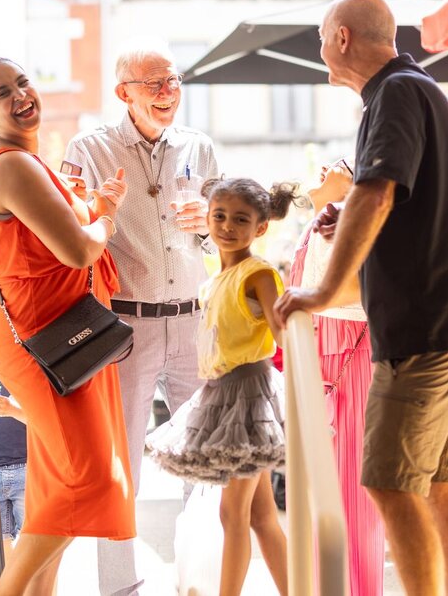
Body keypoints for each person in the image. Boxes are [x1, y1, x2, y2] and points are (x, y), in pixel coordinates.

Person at [274, 0, 448, 596]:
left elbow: (377, 191)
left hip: (426, 324)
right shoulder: (415, 88)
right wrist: (347, 211)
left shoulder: (396, 92)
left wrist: (321, 290)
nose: (320, 50)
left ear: (342, 37)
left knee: (389, 482)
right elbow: (392, 199)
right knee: (441, 484)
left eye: (321, 38)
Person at [0, 57, 135, 595]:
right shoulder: (12, 165)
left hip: (65, 340)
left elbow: (63, 232)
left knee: (57, 486)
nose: (20, 95)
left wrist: (97, 205)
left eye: (23, 82)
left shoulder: (26, 161)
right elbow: (79, 250)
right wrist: (107, 218)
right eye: (3, 93)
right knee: (87, 479)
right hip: (48, 346)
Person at [64, 38, 219, 595]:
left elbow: (223, 232)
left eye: (173, 80)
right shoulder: (89, 149)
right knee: (122, 464)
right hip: (125, 328)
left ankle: (199, 579)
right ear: (122, 92)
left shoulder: (199, 147)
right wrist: (98, 210)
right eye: (153, 83)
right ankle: (120, 587)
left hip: (194, 321)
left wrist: (209, 221)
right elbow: (69, 231)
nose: (166, 92)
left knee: (204, 461)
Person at [147, 177, 301, 596]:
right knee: (260, 517)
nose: (228, 226)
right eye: (219, 216)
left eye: (241, 219)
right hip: (221, 392)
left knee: (233, 515)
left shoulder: (259, 274)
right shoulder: (214, 278)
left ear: (261, 227)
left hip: (249, 395)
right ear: (207, 218)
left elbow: (283, 332)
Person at [289, 156, 385, 596]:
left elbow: (341, 292)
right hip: (323, 354)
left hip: (348, 352)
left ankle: (356, 588)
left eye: (339, 164)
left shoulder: (351, 225)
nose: (325, 168)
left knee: (352, 487)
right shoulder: (319, 224)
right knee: (322, 485)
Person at [0, 365, 54, 593]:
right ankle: (9, 590)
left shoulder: (32, 368)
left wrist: (12, 410)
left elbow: (45, 419)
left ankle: (34, 590)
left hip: (27, 467)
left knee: (36, 543)